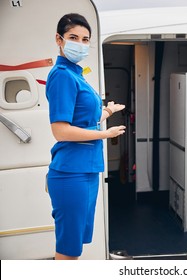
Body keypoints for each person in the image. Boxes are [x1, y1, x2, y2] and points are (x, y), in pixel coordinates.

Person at [46, 13, 126, 260]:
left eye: (84, 39)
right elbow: (60, 130)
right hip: (72, 173)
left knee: (76, 245)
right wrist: (106, 133)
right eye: (73, 38)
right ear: (59, 40)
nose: (80, 44)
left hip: (87, 171)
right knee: (68, 249)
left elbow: (85, 119)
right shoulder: (62, 75)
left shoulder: (76, 74)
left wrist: (108, 110)